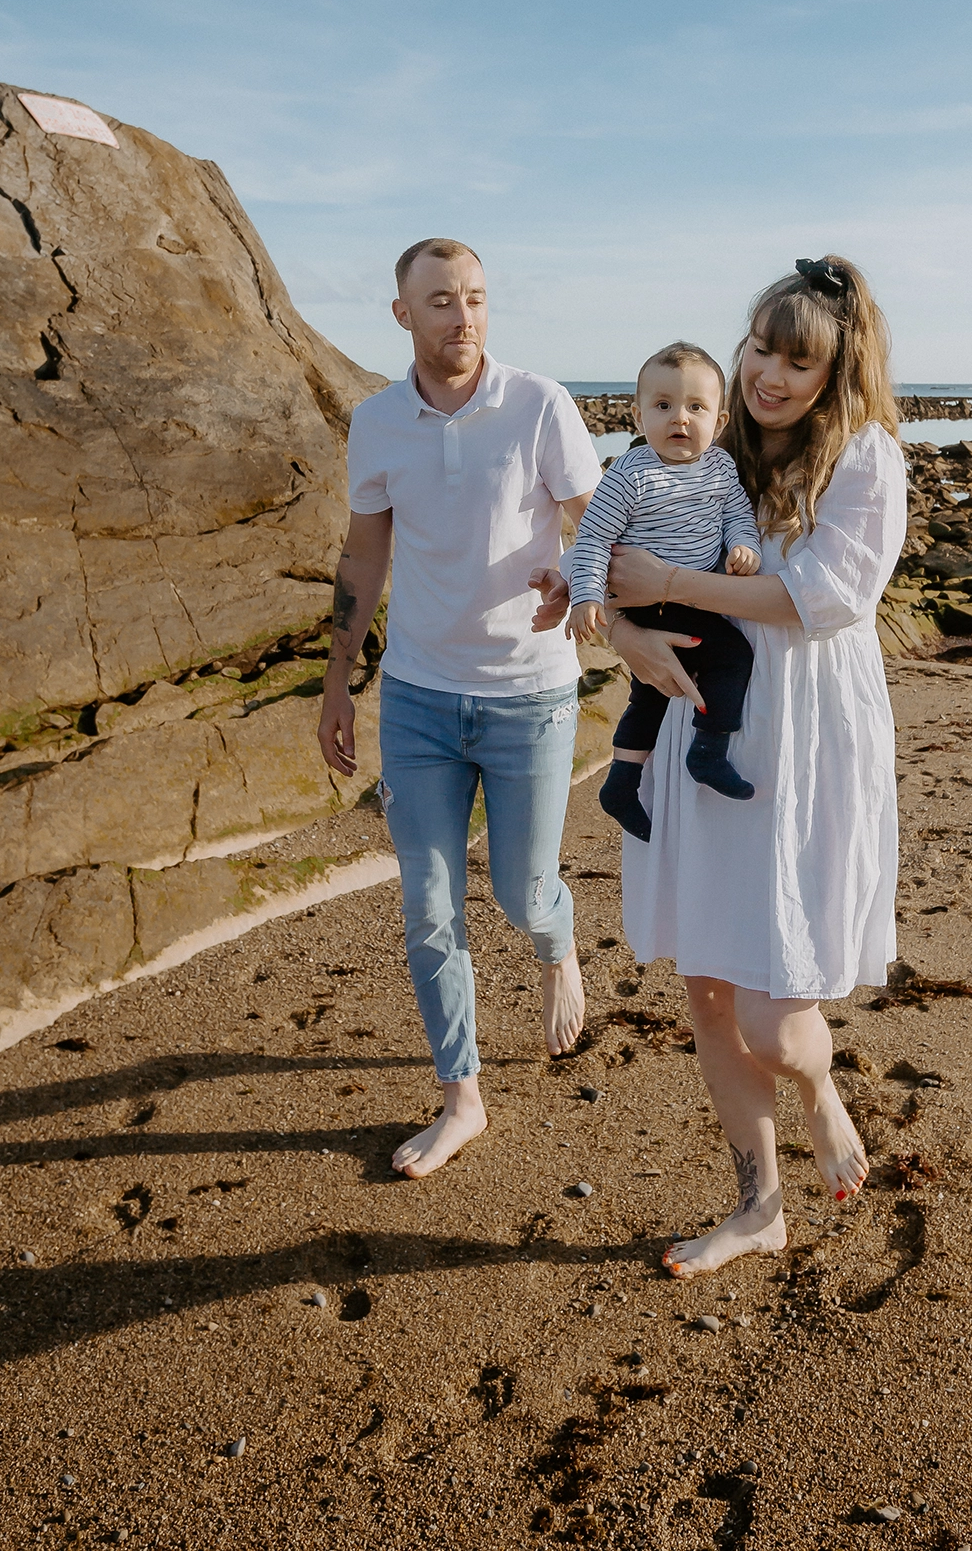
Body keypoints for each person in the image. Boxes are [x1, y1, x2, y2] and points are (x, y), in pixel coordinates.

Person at [533, 254, 905, 1277]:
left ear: (836, 371)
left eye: (797, 360)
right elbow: (615, 547)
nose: (770, 375)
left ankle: (821, 1092)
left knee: (774, 1006)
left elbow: (823, 598)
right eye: (759, 350)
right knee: (705, 987)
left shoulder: (865, 458)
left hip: (801, 739)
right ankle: (759, 1206)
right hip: (702, 722)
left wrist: (676, 585)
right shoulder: (709, 440)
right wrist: (623, 629)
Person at [318, 238, 602, 1179]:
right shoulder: (377, 422)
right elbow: (363, 558)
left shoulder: (539, 404)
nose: (463, 317)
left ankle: (559, 949)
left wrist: (578, 577)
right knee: (428, 906)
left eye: (476, 298)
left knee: (523, 894)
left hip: (531, 696)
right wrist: (337, 684)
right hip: (418, 700)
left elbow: (595, 519)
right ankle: (461, 1096)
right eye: (441, 301)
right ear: (403, 313)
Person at [565, 342, 761, 839]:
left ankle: (621, 782)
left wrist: (744, 546)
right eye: (663, 406)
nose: (680, 418)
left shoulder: (720, 467)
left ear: (719, 421)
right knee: (733, 654)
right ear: (639, 415)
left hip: (694, 597)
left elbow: (738, 514)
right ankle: (709, 751)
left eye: (696, 407)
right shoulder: (631, 474)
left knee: (649, 696)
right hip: (649, 604)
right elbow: (593, 539)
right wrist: (585, 596)